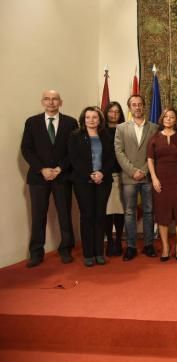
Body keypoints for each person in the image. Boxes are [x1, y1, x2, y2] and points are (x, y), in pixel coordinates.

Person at [20, 90, 78, 267]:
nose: (51, 102)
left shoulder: (70, 122)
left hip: (63, 176)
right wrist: (42, 169)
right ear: (42, 102)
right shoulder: (32, 122)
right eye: (47, 99)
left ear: (61, 102)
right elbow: (26, 149)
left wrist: (60, 168)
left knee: (64, 214)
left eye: (54, 99)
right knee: (38, 216)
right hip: (39, 178)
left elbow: (73, 150)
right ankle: (36, 252)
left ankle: (66, 249)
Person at [68, 107, 115, 266]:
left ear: (100, 119)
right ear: (83, 119)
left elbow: (111, 158)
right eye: (88, 117)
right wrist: (90, 174)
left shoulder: (106, 135)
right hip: (83, 181)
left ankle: (99, 252)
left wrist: (101, 173)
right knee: (87, 216)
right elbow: (74, 159)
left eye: (94, 117)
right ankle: (88, 254)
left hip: (103, 181)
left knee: (100, 216)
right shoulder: (76, 136)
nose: (91, 120)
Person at [114, 95, 159, 261]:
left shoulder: (154, 128)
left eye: (140, 104)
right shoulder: (121, 128)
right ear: (129, 108)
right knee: (129, 212)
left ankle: (148, 245)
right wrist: (133, 171)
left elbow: (155, 152)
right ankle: (131, 247)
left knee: (149, 211)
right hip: (129, 177)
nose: (137, 107)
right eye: (134, 105)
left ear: (144, 106)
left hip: (148, 177)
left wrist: (144, 171)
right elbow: (119, 152)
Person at [147, 108, 177, 261]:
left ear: (175, 120)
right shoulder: (154, 138)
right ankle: (165, 246)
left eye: (172, 117)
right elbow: (150, 160)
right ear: (162, 118)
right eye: (166, 116)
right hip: (160, 180)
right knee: (162, 213)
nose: (168, 119)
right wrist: (154, 178)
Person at [103, 101, 125, 257]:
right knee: (108, 210)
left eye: (117, 112)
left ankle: (118, 240)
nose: (114, 114)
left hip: (123, 174)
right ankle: (109, 241)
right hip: (106, 175)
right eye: (111, 111)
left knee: (121, 210)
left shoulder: (125, 129)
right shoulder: (101, 131)